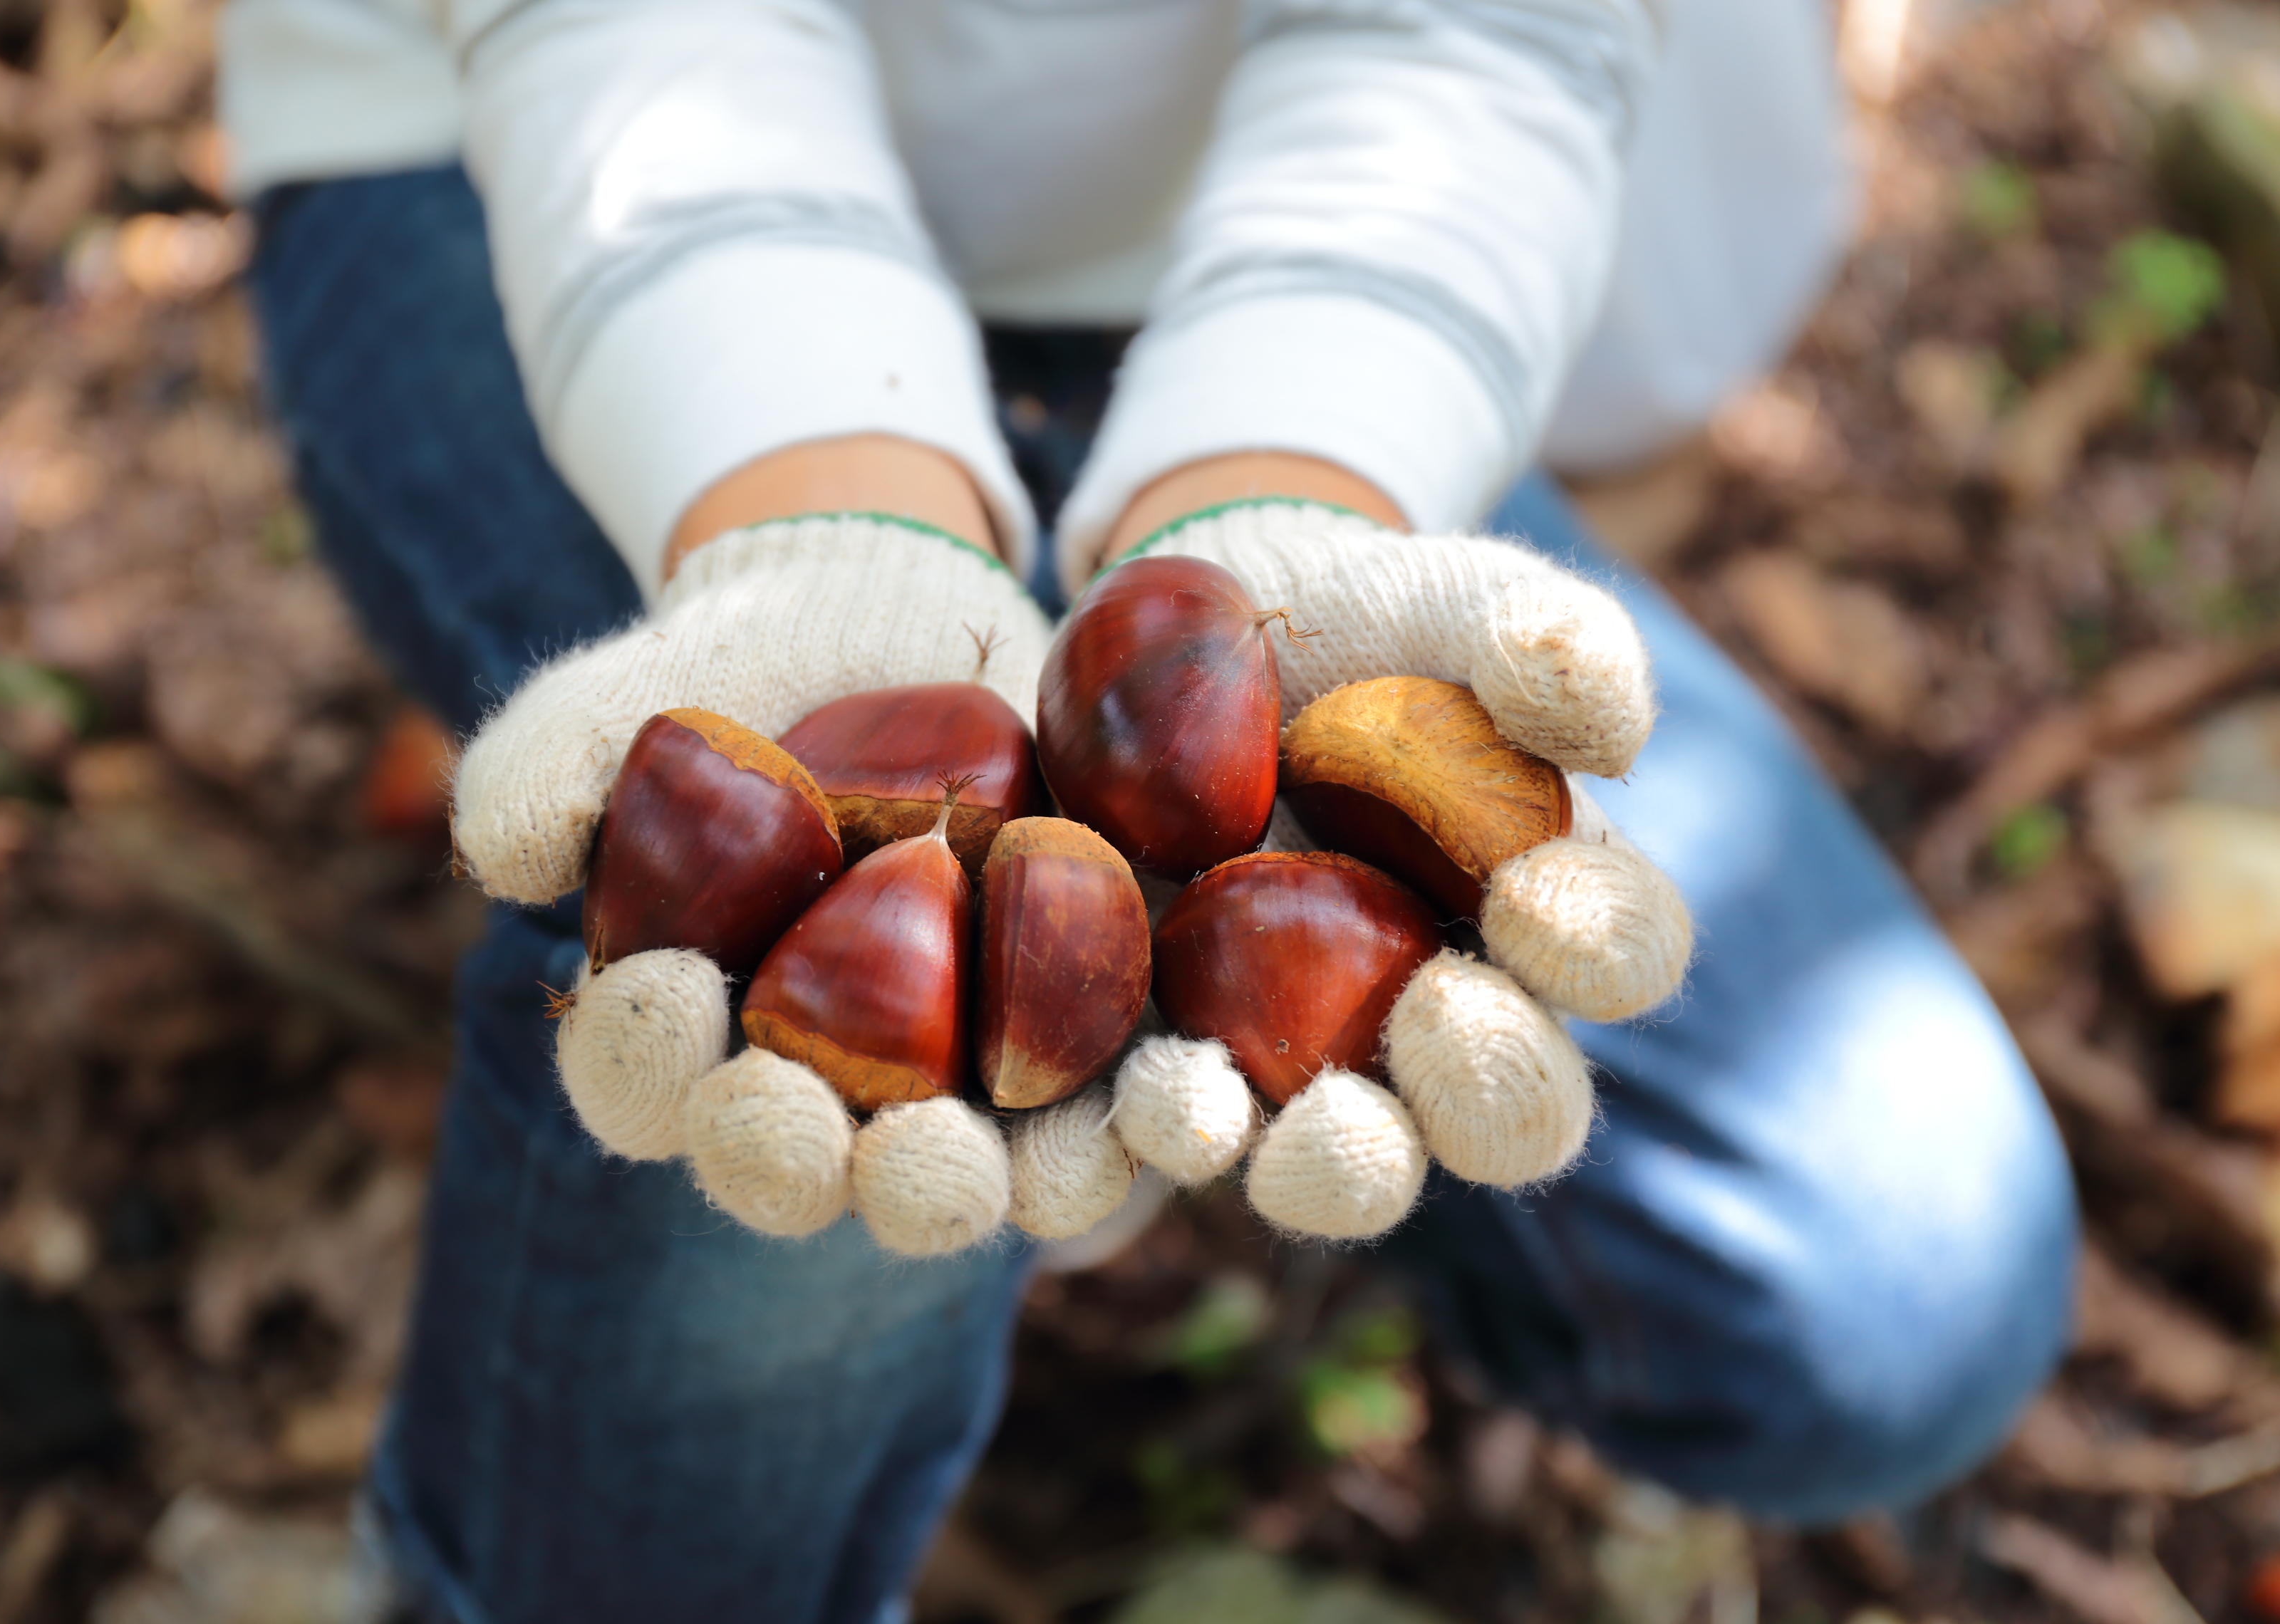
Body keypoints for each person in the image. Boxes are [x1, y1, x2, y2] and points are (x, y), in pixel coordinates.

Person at [220, 1, 2080, 1618]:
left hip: (1219, 265)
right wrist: (817, 515)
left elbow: (1467, 30)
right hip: (508, 170)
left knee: (1897, 1284)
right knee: (774, 1095)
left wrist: (1275, 502)